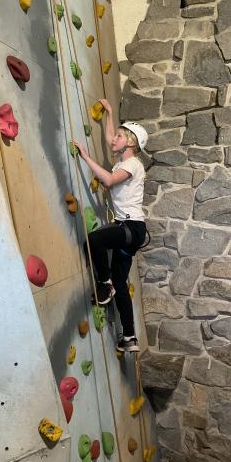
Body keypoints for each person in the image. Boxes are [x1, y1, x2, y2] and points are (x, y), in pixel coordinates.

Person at [73, 99, 148, 353]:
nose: (113, 139)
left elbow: (108, 179)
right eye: (116, 135)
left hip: (131, 228)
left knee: (95, 240)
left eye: (120, 136)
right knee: (121, 281)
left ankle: (105, 284)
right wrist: (109, 113)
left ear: (131, 143)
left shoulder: (132, 164)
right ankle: (129, 337)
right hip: (132, 232)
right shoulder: (124, 160)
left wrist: (85, 157)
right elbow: (109, 138)